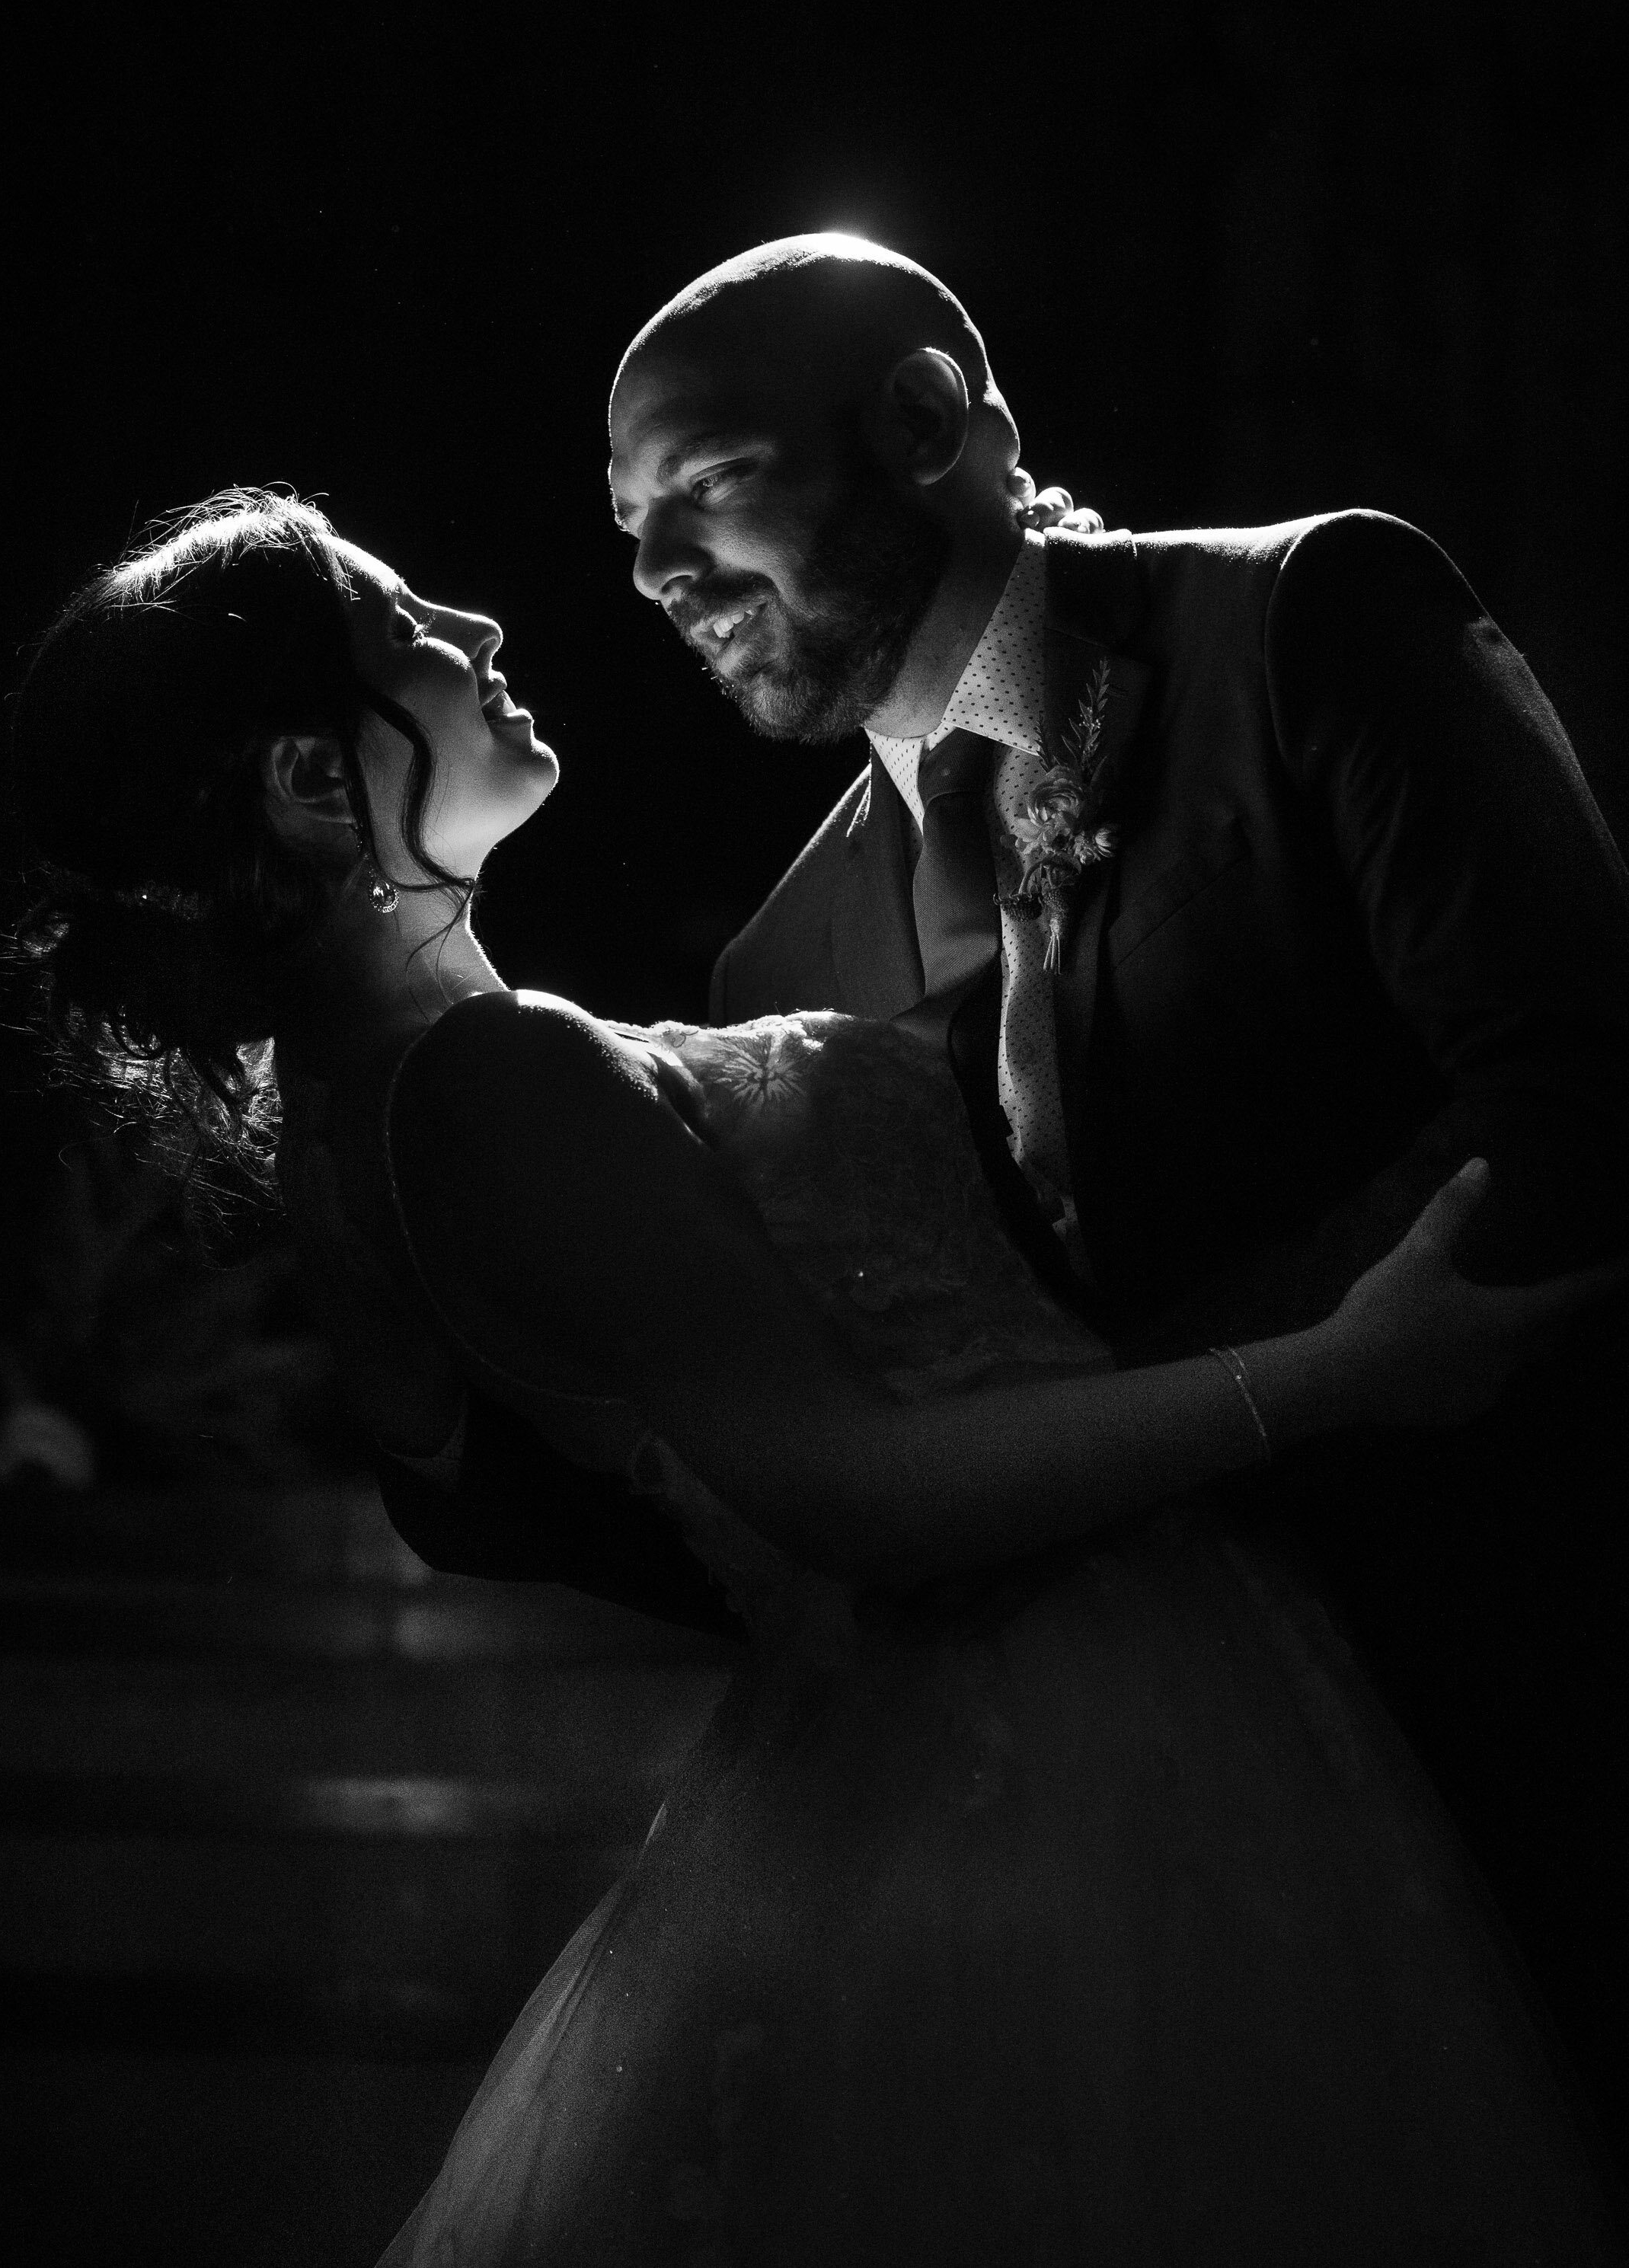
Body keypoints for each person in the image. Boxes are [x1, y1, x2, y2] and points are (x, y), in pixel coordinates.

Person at [11, 490, 1626, 2264]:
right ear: (315, 786)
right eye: (412, 632)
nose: (480, 631)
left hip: (908, 1753)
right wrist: (1333, 1369)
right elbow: (852, 1489)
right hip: (1053, 1739)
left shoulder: (357, 1115)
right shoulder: (485, 1078)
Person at [604, 228, 1629, 2129]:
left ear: (929, 422)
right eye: (629, 525)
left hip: (1510, 1677)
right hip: (1117, 1826)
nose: (660, 571)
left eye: (712, 483)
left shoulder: (1306, 621)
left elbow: (1578, 1092)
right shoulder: (781, 965)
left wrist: (1173, 1424)